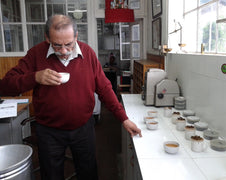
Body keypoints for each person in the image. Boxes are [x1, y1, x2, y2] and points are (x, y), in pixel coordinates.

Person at [0, 14, 141, 180]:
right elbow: (5, 85)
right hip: (49, 131)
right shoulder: (35, 55)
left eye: (69, 44)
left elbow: (104, 88)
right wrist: (35, 77)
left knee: (88, 172)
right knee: (51, 175)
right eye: (57, 46)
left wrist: (123, 118)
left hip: (84, 129)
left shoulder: (87, 54)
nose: (64, 52)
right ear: (47, 38)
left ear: (76, 36)